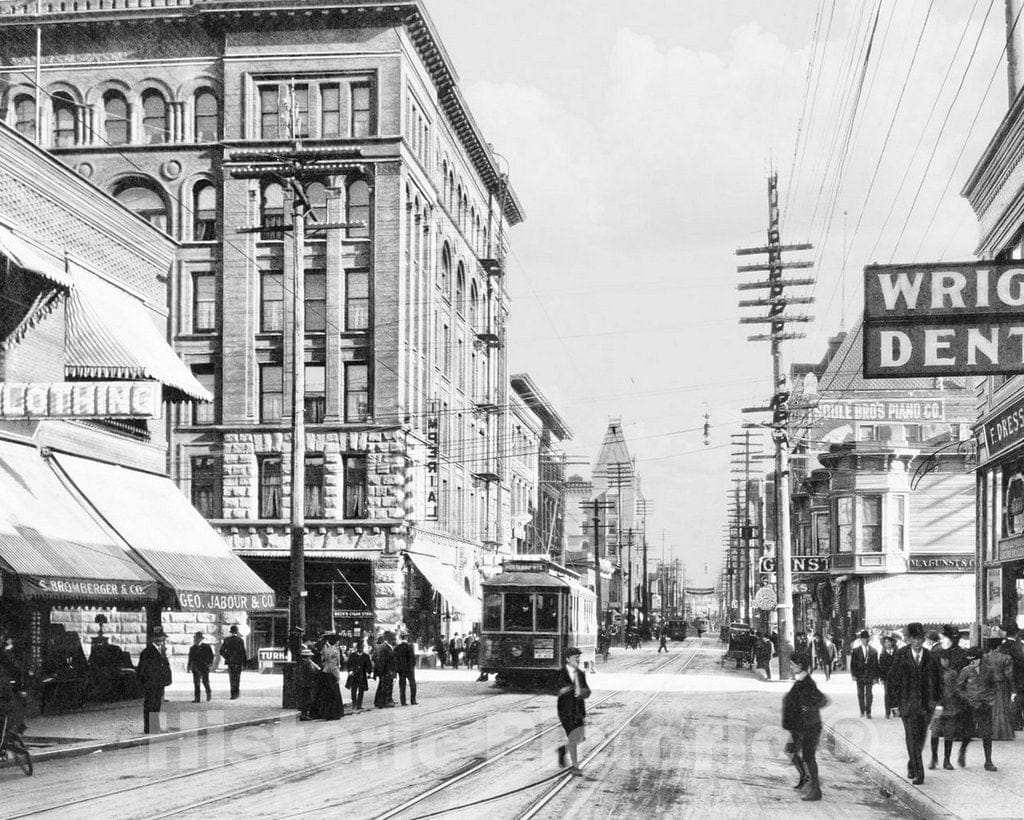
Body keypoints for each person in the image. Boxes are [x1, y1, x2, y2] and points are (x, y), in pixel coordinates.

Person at [888, 622, 935, 785]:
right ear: (909, 639)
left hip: (925, 706)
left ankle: (911, 763)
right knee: (911, 737)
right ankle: (919, 773)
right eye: (914, 639)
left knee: (921, 738)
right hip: (906, 705)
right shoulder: (901, 655)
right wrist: (893, 705)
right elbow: (892, 680)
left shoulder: (930, 656)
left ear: (923, 639)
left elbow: (937, 682)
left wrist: (939, 704)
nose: (917, 642)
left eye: (920, 638)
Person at [781, 650, 827, 802]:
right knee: (792, 751)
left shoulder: (807, 683)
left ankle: (815, 789)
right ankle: (806, 778)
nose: (790, 666)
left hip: (808, 727)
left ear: (800, 666)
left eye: (792, 664)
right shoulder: (801, 681)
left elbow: (821, 700)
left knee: (808, 757)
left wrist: (807, 708)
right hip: (800, 726)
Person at [957, 646, 998, 771]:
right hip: (970, 706)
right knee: (968, 733)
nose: (971, 663)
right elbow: (958, 688)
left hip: (985, 705)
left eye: (973, 660)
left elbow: (994, 686)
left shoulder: (989, 670)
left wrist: (990, 699)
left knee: (987, 734)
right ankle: (962, 751)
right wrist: (966, 697)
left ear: (980, 659)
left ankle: (988, 761)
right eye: (969, 660)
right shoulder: (965, 671)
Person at [556, 646, 591, 776]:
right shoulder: (560, 673)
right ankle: (575, 766)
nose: (578, 658)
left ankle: (562, 750)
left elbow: (587, 691)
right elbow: (557, 689)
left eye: (578, 656)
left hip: (578, 711)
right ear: (567, 659)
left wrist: (582, 692)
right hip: (566, 711)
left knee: (580, 738)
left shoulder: (581, 673)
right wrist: (570, 688)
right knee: (573, 738)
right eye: (575, 656)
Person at [928, 652, 961, 770]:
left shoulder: (953, 673)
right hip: (938, 706)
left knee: (949, 733)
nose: (945, 662)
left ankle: (947, 760)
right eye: (943, 659)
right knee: (935, 731)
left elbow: (957, 688)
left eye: (947, 659)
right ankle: (934, 758)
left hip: (951, 706)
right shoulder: (934, 674)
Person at [137, 626, 172, 734]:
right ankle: (149, 728)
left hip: (158, 683)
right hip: (151, 684)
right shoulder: (147, 652)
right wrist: (146, 683)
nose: (162, 641)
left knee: (156, 705)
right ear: (155, 639)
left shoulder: (160, 651)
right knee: (150, 705)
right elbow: (142, 670)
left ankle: (154, 727)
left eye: (162, 638)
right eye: (161, 638)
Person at [989, 638, 1016, 740]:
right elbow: (1009, 674)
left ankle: (989, 732)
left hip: (988, 685)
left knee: (990, 708)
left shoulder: (985, 657)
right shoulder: (1006, 658)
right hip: (1002, 684)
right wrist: (1013, 689)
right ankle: (1003, 733)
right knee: (1002, 708)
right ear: (999, 646)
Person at [851, 630, 880, 719]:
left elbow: (876, 665)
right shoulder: (856, 651)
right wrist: (853, 675)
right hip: (859, 675)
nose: (865, 641)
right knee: (860, 694)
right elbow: (853, 664)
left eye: (866, 639)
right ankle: (862, 711)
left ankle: (868, 712)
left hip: (869, 676)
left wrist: (876, 677)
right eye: (863, 639)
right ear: (861, 640)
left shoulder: (873, 651)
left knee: (869, 694)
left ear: (869, 639)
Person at [317, 634, 344, 720]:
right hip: (333, 672)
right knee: (334, 694)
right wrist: (338, 676)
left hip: (325, 671)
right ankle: (335, 713)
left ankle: (326, 713)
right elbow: (337, 664)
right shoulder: (336, 651)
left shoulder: (326, 650)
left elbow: (323, 660)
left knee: (327, 694)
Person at [219, 624, 247, 700]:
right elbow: (243, 652)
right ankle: (236, 694)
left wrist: (227, 657)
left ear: (231, 632)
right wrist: (245, 663)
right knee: (237, 678)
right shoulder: (240, 640)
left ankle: (232, 694)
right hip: (238, 662)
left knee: (231, 678)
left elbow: (221, 651)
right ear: (237, 632)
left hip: (230, 662)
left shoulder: (227, 640)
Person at [186, 631, 214, 703]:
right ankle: (197, 698)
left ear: (201, 639)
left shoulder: (206, 647)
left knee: (205, 681)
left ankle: (208, 693)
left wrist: (209, 663)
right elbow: (190, 658)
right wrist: (189, 666)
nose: (196, 640)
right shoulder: (192, 648)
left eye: (198, 639)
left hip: (204, 667)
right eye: (196, 639)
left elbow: (211, 656)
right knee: (196, 683)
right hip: (195, 667)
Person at [346, 641, 372, 711]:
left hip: (362, 676)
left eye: (361, 648)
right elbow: (349, 664)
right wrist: (350, 671)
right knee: (353, 690)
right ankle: (354, 704)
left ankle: (359, 705)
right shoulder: (352, 655)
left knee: (361, 691)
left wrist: (368, 672)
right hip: (354, 675)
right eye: (359, 648)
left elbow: (369, 666)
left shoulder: (366, 656)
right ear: (357, 648)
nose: (360, 649)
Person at [296, 646, 320, 721]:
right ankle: (304, 714)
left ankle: (304, 714)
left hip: (302, 683)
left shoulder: (301, 663)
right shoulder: (307, 664)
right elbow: (315, 670)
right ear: (307, 657)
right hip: (307, 684)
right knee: (307, 699)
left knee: (304, 699)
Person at [374, 633, 396, 709]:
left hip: (388, 670)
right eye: (393, 639)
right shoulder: (385, 648)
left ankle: (380, 701)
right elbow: (382, 660)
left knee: (385, 686)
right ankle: (384, 701)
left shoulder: (389, 647)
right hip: (386, 671)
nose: (395, 641)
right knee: (386, 686)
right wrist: (381, 670)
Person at [394, 633, 417, 706]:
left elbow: (396, 659)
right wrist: (412, 666)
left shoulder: (397, 647)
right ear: (407, 638)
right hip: (409, 669)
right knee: (412, 684)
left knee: (402, 685)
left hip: (401, 670)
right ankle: (413, 700)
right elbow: (413, 659)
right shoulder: (410, 647)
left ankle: (403, 702)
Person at [879, 635, 897, 719]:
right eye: (885, 642)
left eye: (888, 642)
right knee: (887, 695)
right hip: (887, 678)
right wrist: (882, 678)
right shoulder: (882, 654)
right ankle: (887, 712)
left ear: (892, 643)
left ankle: (895, 711)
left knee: (895, 694)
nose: (887, 644)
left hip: (896, 677)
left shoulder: (897, 653)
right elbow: (881, 667)